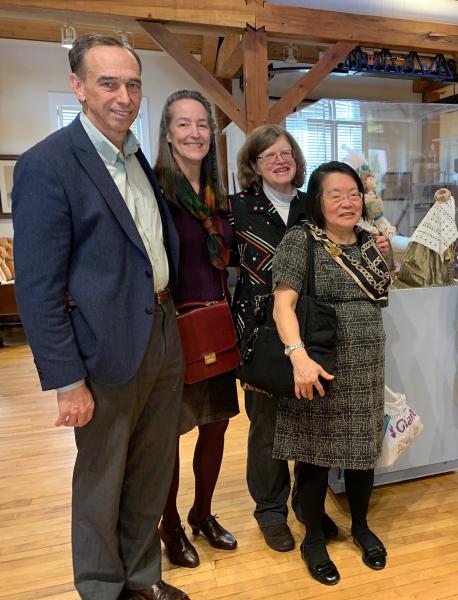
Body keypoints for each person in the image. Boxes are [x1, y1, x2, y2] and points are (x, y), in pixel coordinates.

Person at [12, 34, 188, 599]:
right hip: (102, 351)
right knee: (101, 480)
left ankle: (141, 578)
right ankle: (100, 588)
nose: (123, 95)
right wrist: (67, 381)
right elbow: (37, 289)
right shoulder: (48, 165)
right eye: (108, 83)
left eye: (133, 84)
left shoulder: (138, 159)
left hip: (161, 335)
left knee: (149, 471)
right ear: (78, 87)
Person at [272, 161, 392, 586]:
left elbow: (381, 296)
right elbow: (282, 305)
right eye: (335, 195)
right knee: (314, 454)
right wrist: (298, 356)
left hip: (366, 365)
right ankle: (312, 539)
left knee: (363, 450)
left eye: (354, 194)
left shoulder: (368, 243)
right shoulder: (299, 241)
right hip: (318, 362)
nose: (347, 202)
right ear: (317, 201)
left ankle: (360, 526)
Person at [229, 124, 339, 552]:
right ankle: (270, 511)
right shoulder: (239, 208)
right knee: (268, 426)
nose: (280, 160)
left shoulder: (314, 205)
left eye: (286, 152)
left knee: (312, 422)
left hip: (313, 326)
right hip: (261, 332)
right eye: (269, 155)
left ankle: (307, 506)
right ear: (254, 166)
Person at [153, 90, 239, 568]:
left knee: (217, 426)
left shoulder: (217, 195)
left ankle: (202, 514)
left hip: (218, 327)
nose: (194, 133)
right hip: (173, 330)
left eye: (202, 124)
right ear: (168, 132)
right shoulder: (156, 191)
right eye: (183, 124)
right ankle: (169, 527)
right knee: (169, 435)